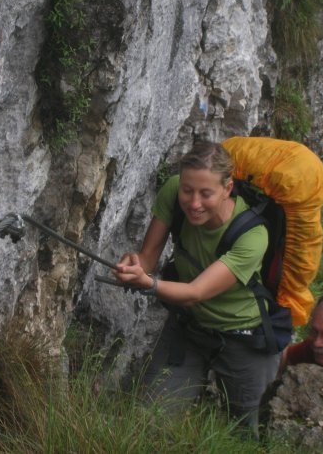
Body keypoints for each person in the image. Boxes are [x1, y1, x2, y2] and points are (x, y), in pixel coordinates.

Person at [113, 141, 281, 439]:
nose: (193, 203)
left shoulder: (252, 234)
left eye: (206, 193)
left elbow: (195, 291)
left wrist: (148, 283)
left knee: (246, 433)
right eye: (188, 190)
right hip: (190, 329)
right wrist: (135, 264)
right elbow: (149, 257)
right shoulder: (173, 191)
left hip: (245, 338)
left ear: (227, 188)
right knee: (147, 422)